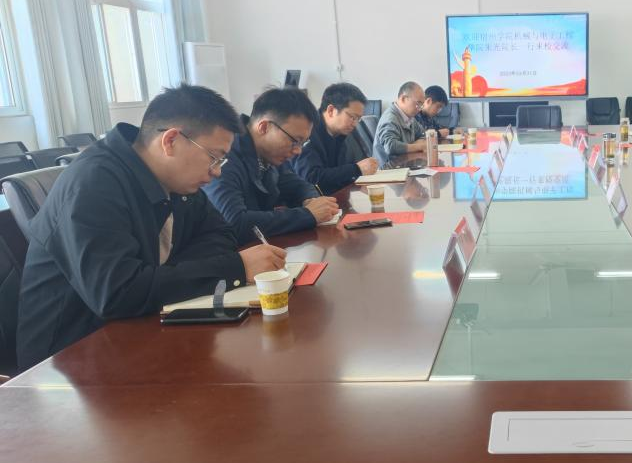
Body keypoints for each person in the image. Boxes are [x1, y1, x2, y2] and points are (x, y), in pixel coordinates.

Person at [16, 85, 287, 369]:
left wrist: (161, 278)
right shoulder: (93, 183)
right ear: (171, 141)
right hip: (69, 363)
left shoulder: (176, 180)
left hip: (141, 331)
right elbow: (118, 293)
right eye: (213, 157)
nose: (217, 171)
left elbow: (221, 233)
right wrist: (234, 268)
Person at [205, 87, 340, 241]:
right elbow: (235, 222)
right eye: (295, 141)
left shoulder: (269, 154)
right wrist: (308, 215)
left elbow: (297, 185)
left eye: (303, 143)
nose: (298, 151)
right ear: (264, 127)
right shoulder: (226, 156)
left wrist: (311, 200)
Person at [291, 81, 378, 193]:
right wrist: (356, 169)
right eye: (352, 117)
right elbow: (311, 177)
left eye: (358, 119)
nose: (355, 123)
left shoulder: (343, 132)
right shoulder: (307, 131)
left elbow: (346, 169)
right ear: (331, 110)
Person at [374, 81, 427, 166]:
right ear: (403, 99)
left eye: (422, 105)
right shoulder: (390, 119)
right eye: (418, 103)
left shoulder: (410, 117)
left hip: (404, 165)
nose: (420, 109)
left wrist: (416, 145)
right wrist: (419, 146)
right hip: (389, 169)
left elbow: (423, 134)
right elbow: (390, 146)